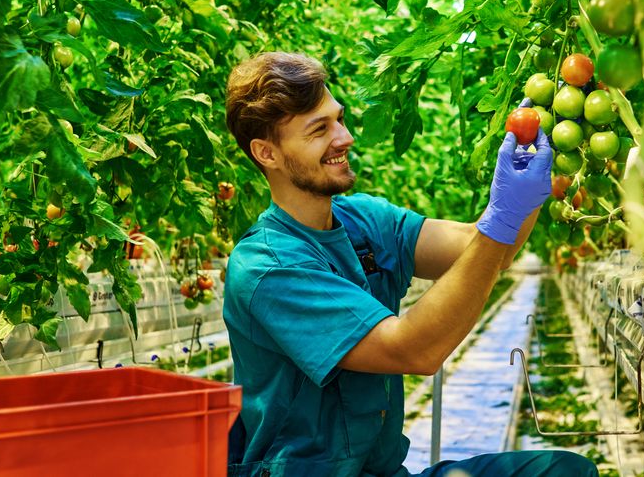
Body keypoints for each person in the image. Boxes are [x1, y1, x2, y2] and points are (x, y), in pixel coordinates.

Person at [222, 52, 598, 477]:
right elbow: (413, 349)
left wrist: (526, 176)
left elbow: (490, 250)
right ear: (266, 153)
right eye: (319, 130)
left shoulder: (364, 220)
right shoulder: (266, 267)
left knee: (564, 471)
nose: (344, 138)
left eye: (339, 119)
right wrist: (504, 216)